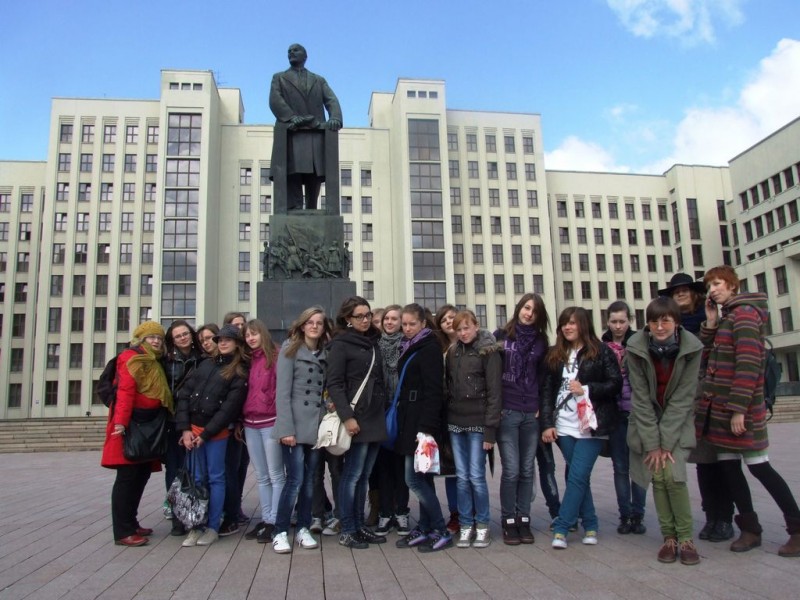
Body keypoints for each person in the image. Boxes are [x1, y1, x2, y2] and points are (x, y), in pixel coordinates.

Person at [697, 265, 800, 557]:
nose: (713, 290)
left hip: (738, 412)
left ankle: (797, 529)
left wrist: (738, 410)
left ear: (732, 285)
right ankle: (750, 529)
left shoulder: (744, 315)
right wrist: (711, 323)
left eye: (718, 284)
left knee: (760, 467)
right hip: (720, 412)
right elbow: (708, 359)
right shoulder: (727, 317)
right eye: (709, 286)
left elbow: (748, 364)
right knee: (731, 471)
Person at [626, 297, 703, 565]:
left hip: (678, 422)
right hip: (647, 421)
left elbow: (684, 397)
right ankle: (669, 537)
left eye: (665, 321)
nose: (659, 327)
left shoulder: (692, 347)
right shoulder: (635, 347)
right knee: (657, 476)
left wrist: (666, 443)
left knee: (674, 477)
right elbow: (640, 398)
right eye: (654, 321)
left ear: (676, 323)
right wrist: (653, 444)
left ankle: (686, 538)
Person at [660, 273, 735, 542]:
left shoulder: (711, 319)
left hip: (714, 397)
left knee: (723, 462)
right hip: (687, 400)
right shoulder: (668, 326)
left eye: (685, 290)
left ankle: (725, 517)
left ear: (695, 293)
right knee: (703, 462)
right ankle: (711, 515)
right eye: (675, 291)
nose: (680, 294)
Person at [541, 307, 622, 550]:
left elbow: (615, 384)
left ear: (583, 325)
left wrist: (586, 389)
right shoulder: (556, 354)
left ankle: (562, 527)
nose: (567, 327)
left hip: (591, 425)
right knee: (579, 476)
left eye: (573, 323)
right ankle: (591, 524)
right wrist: (547, 423)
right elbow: (547, 391)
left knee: (576, 475)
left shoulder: (601, 351)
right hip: (564, 426)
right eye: (564, 323)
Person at [176, 324, 248, 547]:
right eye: (220, 340)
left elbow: (229, 409)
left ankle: (213, 527)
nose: (222, 343)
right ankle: (195, 525)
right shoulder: (205, 364)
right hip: (193, 430)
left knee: (216, 478)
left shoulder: (239, 371)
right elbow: (184, 395)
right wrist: (185, 429)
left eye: (228, 339)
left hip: (215, 434)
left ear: (237, 343)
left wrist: (206, 434)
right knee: (197, 478)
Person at [102, 321, 173, 547]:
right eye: (151, 337)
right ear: (141, 339)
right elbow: (125, 391)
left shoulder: (154, 360)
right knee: (127, 478)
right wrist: (120, 424)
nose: (156, 341)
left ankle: (131, 523)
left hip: (148, 425)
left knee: (141, 475)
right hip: (131, 427)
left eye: (159, 338)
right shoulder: (131, 358)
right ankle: (123, 531)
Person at [326, 296, 388, 549]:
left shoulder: (373, 341)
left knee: (364, 476)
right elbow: (334, 383)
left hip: (375, 415)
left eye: (368, 315)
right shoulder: (340, 344)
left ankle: (360, 526)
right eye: (359, 316)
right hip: (356, 418)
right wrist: (347, 417)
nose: (365, 320)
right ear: (347, 319)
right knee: (351, 475)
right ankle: (348, 529)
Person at [393, 304, 453, 552]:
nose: (407, 328)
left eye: (412, 324)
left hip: (421, 424)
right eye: (404, 324)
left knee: (413, 478)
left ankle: (440, 529)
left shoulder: (428, 348)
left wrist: (426, 429)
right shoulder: (410, 345)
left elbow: (434, 391)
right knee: (424, 478)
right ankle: (426, 527)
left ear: (423, 324)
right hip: (410, 419)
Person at [271, 307, 331, 553]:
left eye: (319, 323)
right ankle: (280, 531)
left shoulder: (325, 354)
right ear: (302, 325)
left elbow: (324, 390)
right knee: (294, 480)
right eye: (310, 322)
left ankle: (304, 527)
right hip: (294, 426)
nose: (314, 326)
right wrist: (286, 429)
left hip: (316, 426)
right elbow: (282, 393)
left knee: (310, 480)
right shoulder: (290, 349)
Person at [493, 293, 550, 545]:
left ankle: (523, 518)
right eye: (526, 308)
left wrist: (540, 407)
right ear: (519, 308)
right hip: (507, 411)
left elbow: (543, 376)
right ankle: (508, 519)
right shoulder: (501, 336)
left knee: (527, 469)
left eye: (534, 311)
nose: (529, 314)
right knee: (511, 469)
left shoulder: (541, 341)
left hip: (530, 413)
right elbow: (492, 374)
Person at [446, 310, 502, 549]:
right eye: (459, 329)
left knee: (476, 477)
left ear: (476, 326)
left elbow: (495, 393)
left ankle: (483, 524)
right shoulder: (453, 352)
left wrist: (490, 430)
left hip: (478, 422)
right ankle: (466, 523)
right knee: (461, 477)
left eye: (466, 328)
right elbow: (448, 386)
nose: (463, 333)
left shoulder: (488, 351)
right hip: (455, 422)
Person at [269, 43, 343, 211]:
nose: (291, 52)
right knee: (293, 170)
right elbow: (275, 100)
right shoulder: (279, 78)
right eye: (289, 51)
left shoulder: (318, 80)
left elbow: (331, 100)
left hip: (315, 134)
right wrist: (291, 117)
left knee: (315, 172)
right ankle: (295, 207)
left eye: (295, 50)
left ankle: (311, 208)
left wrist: (335, 118)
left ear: (305, 55)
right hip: (292, 133)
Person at [600, 301, 647, 535]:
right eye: (614, 321)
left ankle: (638, 515)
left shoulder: (640, 343)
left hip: (637, 413)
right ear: (607, 322)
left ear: (630, 321)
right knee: (620, 467)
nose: (618, 326)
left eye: (622, 321)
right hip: (615, 414)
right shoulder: (601, 347)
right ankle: (625, 515)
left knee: (638, 467)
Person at [239, 319, 283, 541]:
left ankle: (276, 521)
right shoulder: (247, 360)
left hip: (271, 421)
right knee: (262, 475)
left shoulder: (276, 357)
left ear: (263, 334)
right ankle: (266, 519)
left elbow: (281, 389)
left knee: (276, 474)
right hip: (250, 423)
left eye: (254, 334)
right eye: (247, 335)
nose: (251, 338)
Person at [162, 320, 203, 536]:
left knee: (196, 469)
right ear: (172, 340)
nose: (183, 338)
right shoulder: (166, 360)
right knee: (175, 469)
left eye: (185, 333)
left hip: (197, 420)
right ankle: (177, 517)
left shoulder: (202, 357)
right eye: (177, 336)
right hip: (173, 422)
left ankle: (195, 513)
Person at [374, 305, 411, 536]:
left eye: (394, 319)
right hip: (380, 412)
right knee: (383, 467)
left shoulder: (407, 345)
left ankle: (402, 512)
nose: (389, 322)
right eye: (386, 318)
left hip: (402, 412)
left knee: (401, 467)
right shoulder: (375, 346)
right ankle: (385, 513)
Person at [432, 304, 460, 534]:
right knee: (452, 469)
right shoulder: (437, 348)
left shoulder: (476, 344)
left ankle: (473, 514)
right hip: (446, 414)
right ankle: (456, 514)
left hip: (471, 414)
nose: (449, 321)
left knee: (471, 470)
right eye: (444, 319)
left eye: (452, 317)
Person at [221, 312, 250, 528]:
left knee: (240, 466)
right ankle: (229, 510)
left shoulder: (248, 357)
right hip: (226, 424)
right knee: (227, 469)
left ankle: (235, 507)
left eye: (243, 324)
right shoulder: (218, 361)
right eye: (236, 325)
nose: (241, 328)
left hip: (245, 422)